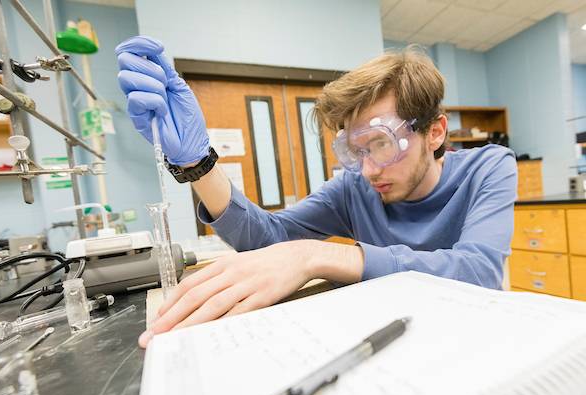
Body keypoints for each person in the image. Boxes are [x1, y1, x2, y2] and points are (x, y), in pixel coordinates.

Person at [115, 36, 517, 348]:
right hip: (393, 343)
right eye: (355, 151)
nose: (369, 169)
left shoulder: (489, 167)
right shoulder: (355, 187)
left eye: (382, 143)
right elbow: (266, 239)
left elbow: (478, 272)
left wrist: (316, 254)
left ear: (435, 132)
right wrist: (198, 164)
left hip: (470, 339)